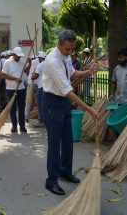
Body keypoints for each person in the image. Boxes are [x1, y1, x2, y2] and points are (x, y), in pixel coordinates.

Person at [42, 30, 98, 196]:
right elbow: (67, 90)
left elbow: (72, 73)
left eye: (72, 49)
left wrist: (88, 72)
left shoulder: (66, 56)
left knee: (67, 140)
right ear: (59, 44)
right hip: (53, 102)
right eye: (67, 49)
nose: (70, 52)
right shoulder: (52, 60)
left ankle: (65, 171)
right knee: (54, 143)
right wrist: (88, 109)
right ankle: (51, 180)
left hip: (64, 102)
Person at [2, 47, 27, 133]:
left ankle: (22, 126)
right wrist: (15, 79)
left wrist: (29, 64)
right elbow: (3, 75)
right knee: (12, 108)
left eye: (20, 56)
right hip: (11, 88)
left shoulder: (22, 61)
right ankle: (14, 126)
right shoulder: (7, 62)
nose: (19, 57)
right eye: (18, 56)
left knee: (21, 107)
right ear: (14, 54)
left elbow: (25, 71)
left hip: (21, 88)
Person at [31, 51, 47, 127]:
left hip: (41, 87)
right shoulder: (48, 64)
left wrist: (32, 76)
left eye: (39, 58)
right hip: (48, 87)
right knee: (46, 105)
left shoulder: (40, 65)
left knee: (40, 104)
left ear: (41, 58)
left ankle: (42, 121)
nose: (38, 59)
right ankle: (46, 120)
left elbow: (36, 76)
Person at [25, 55, 39, 122]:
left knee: (28, 102)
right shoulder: (40, 62)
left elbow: (26, 72)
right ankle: (38, 117)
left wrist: (29, 63)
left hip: (31, 84)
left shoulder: (31, 62)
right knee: (37, 102)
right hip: (38, 84)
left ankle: (26, 117)